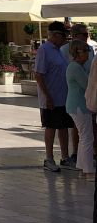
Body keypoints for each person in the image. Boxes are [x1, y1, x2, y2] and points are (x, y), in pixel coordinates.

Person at [36, 21, 74, 172]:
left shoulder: (62, 50)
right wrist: (47, 96)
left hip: (64, 97)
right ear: (54, 35)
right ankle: (49, 158)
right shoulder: (44, 50)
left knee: (63, 127)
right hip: (51, 97)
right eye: (63, 36)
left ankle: (65, 158)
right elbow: (39, 75)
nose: (65, 39)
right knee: (51, 127)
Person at [66, 40, 94, 180]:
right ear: (78, 52)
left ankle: (82, 169)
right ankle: (89, 171)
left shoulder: (77, 67)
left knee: (84, 138)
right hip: (79, 107)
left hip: (78, 106)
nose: (88, 54)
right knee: (88, 139)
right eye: (85, 51)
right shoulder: (75, 67)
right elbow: (87, 85)